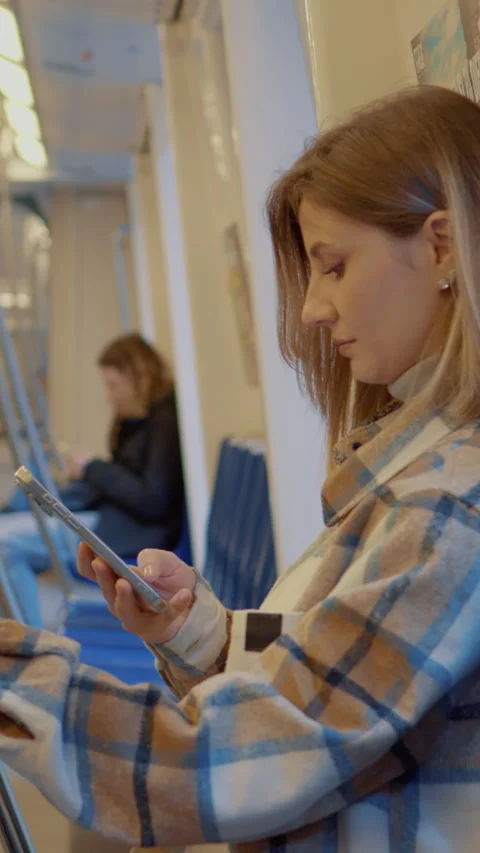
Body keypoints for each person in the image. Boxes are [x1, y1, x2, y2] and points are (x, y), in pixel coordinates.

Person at [0, 84, 478, 852]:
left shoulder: (450, 502)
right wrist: (202, 635)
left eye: (333, 266)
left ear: (442, 247)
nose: (316, 308)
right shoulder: (413, 460)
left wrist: (16, 681)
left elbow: (259, 756)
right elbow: (341, 676)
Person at [0, 332, 184, 627]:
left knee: (7, 546)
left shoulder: (164, 425)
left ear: (137, 378)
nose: (109, 395)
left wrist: (92, 468)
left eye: (113, 385)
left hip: (127, 531)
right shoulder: (141, 420)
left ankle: (32, 642)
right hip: (110, 519)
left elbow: (153, 500)